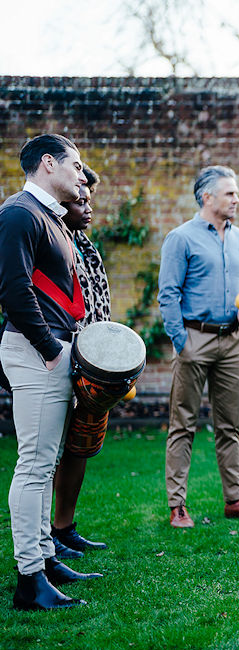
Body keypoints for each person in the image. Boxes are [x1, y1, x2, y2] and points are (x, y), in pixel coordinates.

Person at [0, 134, 101, 611]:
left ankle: (46, 558)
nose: (82, 176)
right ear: (47, 164)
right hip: (36, 351)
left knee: (44, 461)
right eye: (75, 166)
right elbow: (13, 289)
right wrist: (49, 349)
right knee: (35, 466)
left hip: (53, 350)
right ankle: (29, 580)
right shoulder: (19, 213)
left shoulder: (50, 218)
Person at [158, 165, 239, 528]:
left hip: (234, 341)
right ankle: (177, 506)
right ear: (207, 197)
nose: (237, 199)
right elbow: (168, 294)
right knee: (183, 424)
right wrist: (181, 342)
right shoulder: (181, 238)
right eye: (230, 193)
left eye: (236, 193)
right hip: (194, 340)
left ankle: (235, 501)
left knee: (229, 426)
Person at [49, 165, 112, 561]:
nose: (88, 208)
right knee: (53, 450)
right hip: (62, 356)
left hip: (93, 361)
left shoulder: (86, 245)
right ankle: (46, 539)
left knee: (81, 445)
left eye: (90, 201)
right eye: (80, 201)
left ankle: (64, 528)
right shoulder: (53, 241)